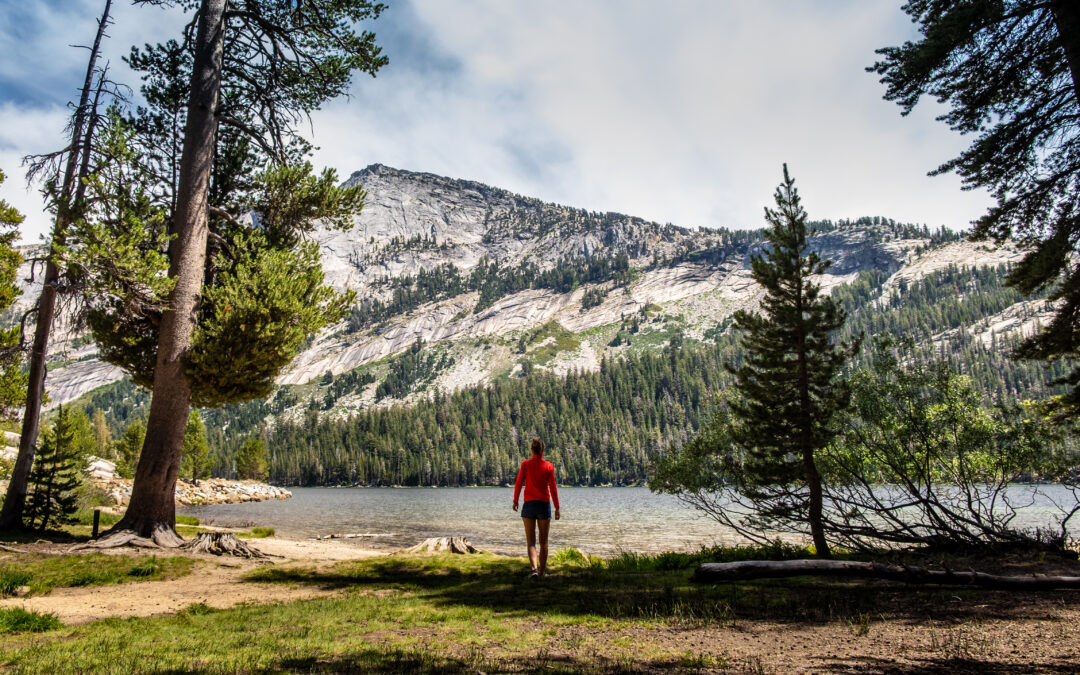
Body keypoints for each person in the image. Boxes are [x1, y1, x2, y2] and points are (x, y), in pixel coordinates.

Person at [512, 436, 560, 578]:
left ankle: (534, 570)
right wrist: (557, 507)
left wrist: (515, 501)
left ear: (532, 449)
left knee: (531, 541)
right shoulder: (549, 466)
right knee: (543, 541)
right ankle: (542, 573)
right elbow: (553, 488)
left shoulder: (525, 464)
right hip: (544, 505)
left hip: (529, 506)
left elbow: (519, 483)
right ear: (543, 450)